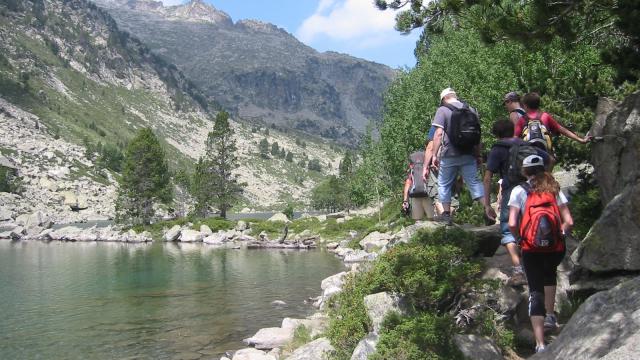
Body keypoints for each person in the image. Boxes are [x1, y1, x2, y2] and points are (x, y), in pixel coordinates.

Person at [508, 154, 573, 353]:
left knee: (535, 289)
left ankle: (540, 344)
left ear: (525, 171)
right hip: (554, 247)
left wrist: (520, 239)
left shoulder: (519, 190)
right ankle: (551, 316)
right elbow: (569, 221)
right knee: (549, 275)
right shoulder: (554, 188)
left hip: (530, 248)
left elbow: (511, 223)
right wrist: (560, 236)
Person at [483, 120, 552, 286]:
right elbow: (550, 159)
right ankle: (540, 266)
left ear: (496, 134)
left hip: (511, 192)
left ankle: (519, 271)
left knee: (508, 229)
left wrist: (487, 205)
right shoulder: (526, 145)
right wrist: (545, 179)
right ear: (513, 130)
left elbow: (487, 177)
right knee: (535, 224)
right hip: (533, 189)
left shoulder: (498, 149)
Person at [427, 88, 495, 224]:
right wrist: (478, 154)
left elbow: (438, 134)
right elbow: (477, 134)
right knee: (474, 183)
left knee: (443, 183)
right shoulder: (470, 109)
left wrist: (434, 155)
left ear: (443, 99)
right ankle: (488, 209)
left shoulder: (442, 110)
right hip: (468, 153)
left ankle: (446, 215)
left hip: (449, 154)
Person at [514, 92, 591, 151]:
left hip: (528, 152)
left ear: (526, 106)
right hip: (545, 151)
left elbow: (515, 138)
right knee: (552, 160)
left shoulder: (522, 120)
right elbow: (562, 129)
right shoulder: (545, 116)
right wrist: (580, 140)